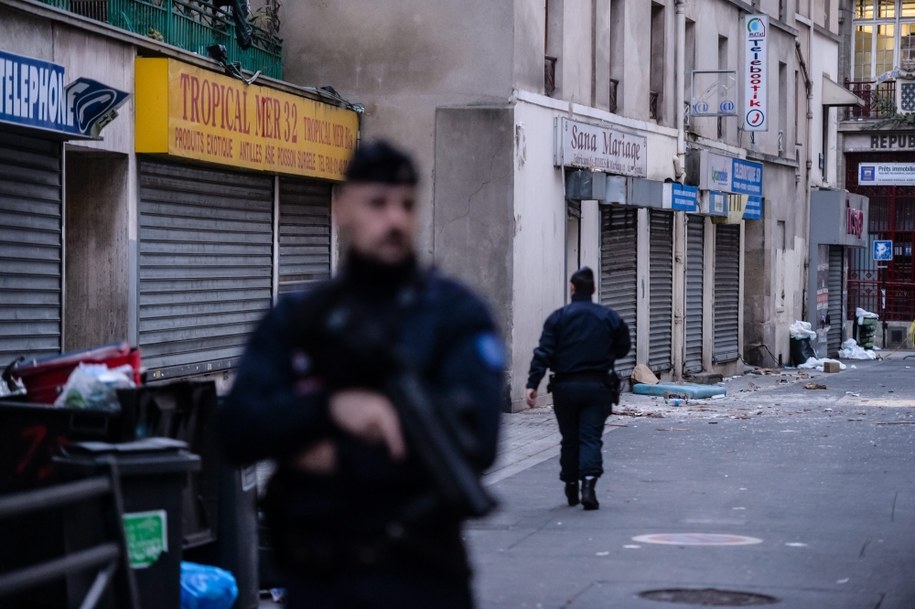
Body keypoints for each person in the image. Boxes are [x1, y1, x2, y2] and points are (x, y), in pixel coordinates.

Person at [219, 139, 505, 609]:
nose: (394, 219)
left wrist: (333, 457)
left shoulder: (453, 315)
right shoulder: (300, 318)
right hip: (319, 583)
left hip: (423, 580)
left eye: (406, 205)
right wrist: (331, 409)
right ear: (342, 208)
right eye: (377, 203)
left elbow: (473, 446)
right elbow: (236, 430)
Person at [525, 267, 631, 510]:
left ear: (571, 289)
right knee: (590, 437)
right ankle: (589, 486)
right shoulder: (609, 317)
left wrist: (532, 384)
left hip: (566, 387)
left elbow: (543, 353)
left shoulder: (558, 318)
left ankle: (571, 485)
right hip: (598, 386)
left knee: (570, 438)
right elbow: (623, 347)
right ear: (593, 290)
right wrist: (604, 354)